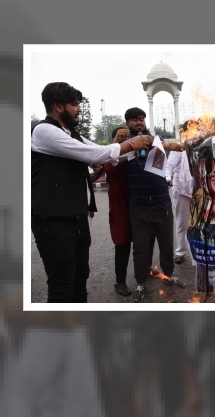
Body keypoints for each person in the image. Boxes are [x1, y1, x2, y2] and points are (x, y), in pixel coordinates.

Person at [30, 82, 152, 302]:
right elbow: (94, 154)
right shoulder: (44, 131)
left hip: (76, 221)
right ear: (58, 106)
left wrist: (136, 150)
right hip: (53, 224)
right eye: (75, 104)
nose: (79, 109)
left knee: (80, 279)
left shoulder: (71, 134)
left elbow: (103, 154)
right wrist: (131, 144)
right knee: (62, 285)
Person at [116, 107, 186, 302]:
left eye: (141, 119)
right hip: (138, 204)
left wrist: (174, 145)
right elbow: (113, 159)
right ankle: (141, 283)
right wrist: (128, 144)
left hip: (161, 200)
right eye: (134, 120)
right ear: (127, 123)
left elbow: (167, 155)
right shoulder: (124, 145)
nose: (139, 123)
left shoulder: (156, 140)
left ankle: (169, 274)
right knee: (140, 246)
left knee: (166, 242)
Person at [104, 126, 137, 297]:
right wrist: (116, 142)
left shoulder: (134, 155)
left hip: (137, 203)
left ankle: (143, 273)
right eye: (121, 139)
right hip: (120, 206)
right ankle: (120, 281)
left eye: (128, 138)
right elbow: (109, 168)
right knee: (123, 242)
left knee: (144, 238)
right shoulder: (111, 156)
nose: (126, 142)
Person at [164, 124, 196, 265]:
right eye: (189, 130)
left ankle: (197, 251)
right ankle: (180, 252)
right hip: (181, 188)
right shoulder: (179, 148)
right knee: (182, 222)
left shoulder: (200, 147)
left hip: (198, 190)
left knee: (198, 223)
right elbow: (169, 166)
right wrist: (167, 177)